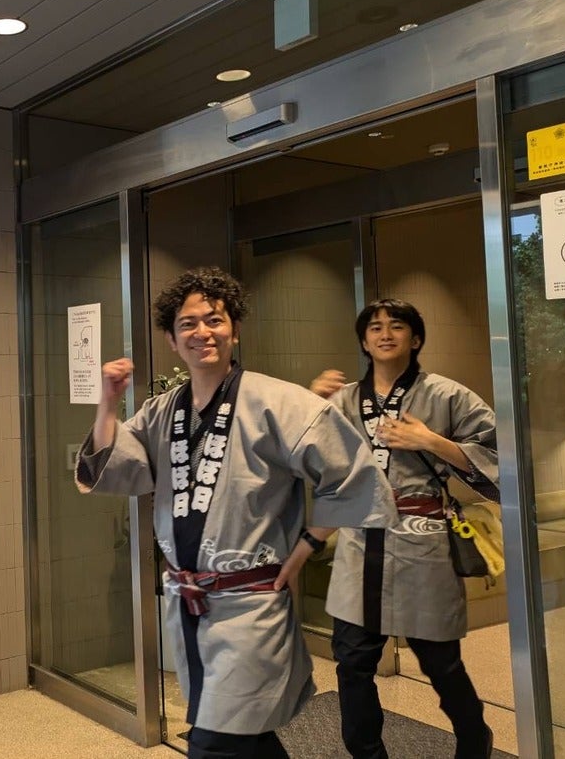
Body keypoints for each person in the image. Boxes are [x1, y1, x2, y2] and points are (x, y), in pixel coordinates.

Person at [77, 267, 397, 759]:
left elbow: (352, 475)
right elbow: (118, 468)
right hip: (188, 602)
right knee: (240, 735)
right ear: (172, 339)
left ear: (235, 329)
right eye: (187, 324)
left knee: (217, 742)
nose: (202, 332)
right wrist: (108, 402)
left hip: (250, 605)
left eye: (214, 320)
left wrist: (307, 545)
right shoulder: (161, 410)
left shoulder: (280, 401)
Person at [311, 298, 499, 759]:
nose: (385, 334)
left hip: (422, 540)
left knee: (441, 663)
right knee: (352, 663)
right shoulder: (343, 399)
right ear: (363, 341)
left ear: (415, 339)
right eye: (374, 327)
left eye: (397, 326)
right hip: (360, 543)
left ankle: (474, 740)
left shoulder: (448, 395)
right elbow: (301, 456)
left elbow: (502, 461)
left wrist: (431, 441)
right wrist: (309, 404)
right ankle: (366, 752)